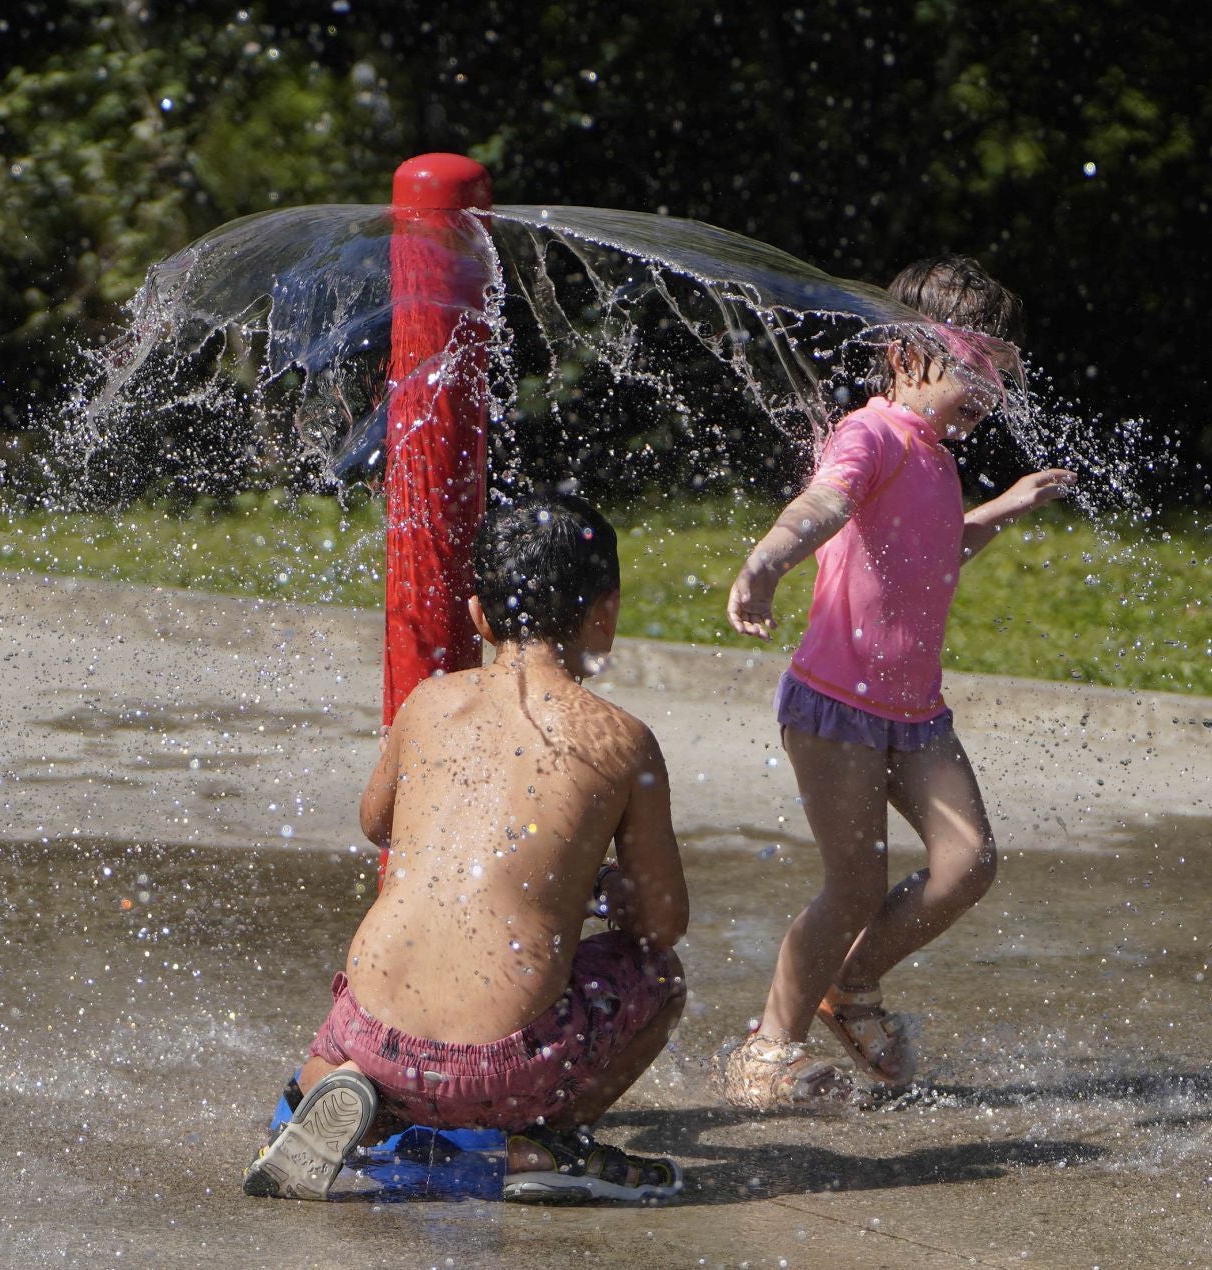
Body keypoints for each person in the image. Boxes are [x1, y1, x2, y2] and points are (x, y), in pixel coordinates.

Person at [244, 493, 691, 1203]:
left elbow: (375, 821)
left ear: (479, 614)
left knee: (385, 962)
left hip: (373, 1035)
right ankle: (545, 1141)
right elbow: (663, 925)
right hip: (502, 1070)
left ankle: (320, 1098)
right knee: (659, 978)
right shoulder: (620, 739)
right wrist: (601, 891)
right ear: (605, 614)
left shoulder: (428, 702)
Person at [719, 256, 1076, 1108]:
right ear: (908, 354)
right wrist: (766, 563)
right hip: (836, 706)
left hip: (915, 713)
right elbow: (824, 505)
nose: (991, 388)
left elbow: (931, 551)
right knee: (853, 887)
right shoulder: (870, 435)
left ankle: (855, 984)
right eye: (977, 368)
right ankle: (766, 1050)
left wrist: (1003, 509)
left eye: (1002, 371)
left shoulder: (939, 462)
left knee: (968, 862)